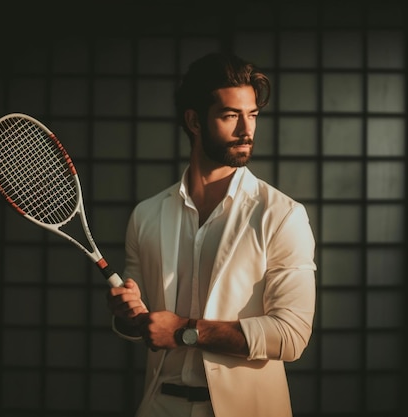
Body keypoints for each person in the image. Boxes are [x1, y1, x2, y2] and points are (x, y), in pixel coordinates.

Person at [106, 52, 316, 417]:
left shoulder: (282, 215)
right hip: (159, 405)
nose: (246, 130)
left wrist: (186, 331)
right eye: (230, 115)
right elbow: (143, 325)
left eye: (252, 115)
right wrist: (128, 316)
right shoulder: (147, 216)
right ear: (194, 121)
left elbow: (290, 335)